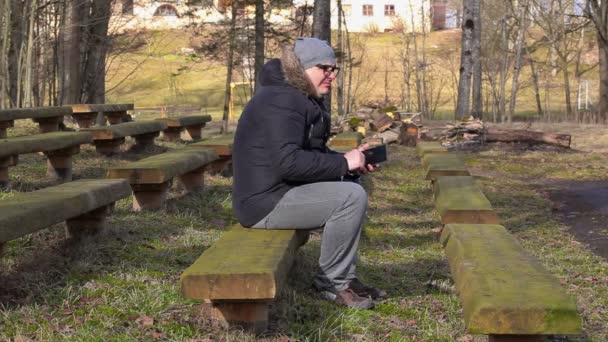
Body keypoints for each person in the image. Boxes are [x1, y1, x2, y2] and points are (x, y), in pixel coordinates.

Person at [232, 37, 386, 310]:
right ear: (300, 68)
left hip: (281, 191)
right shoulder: (282, 100)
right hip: (263, 203)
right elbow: (288, 163)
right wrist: (342, 165)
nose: (331, 75)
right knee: (349, 197)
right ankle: (332, 283)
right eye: (324, 68)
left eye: (334, 69)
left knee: (351, 186)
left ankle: (344, 278)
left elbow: (307, 154)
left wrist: (348, 163)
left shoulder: (295, 96)